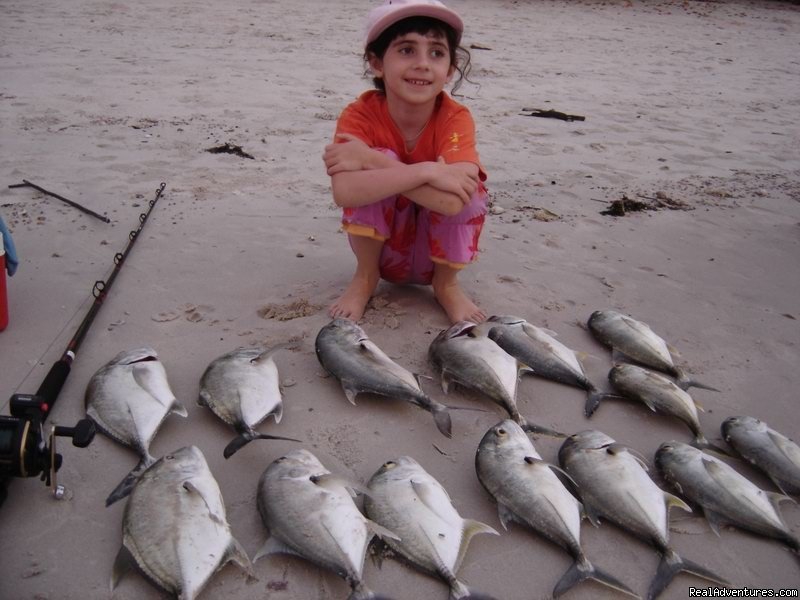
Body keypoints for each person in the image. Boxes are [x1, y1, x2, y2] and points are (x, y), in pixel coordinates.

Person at [323, 0, 489, 324]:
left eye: (437, 53)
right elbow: (344, 191)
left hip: (434, 255)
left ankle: (447, 285)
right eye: (407, 50)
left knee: (474, 190)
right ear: (376, 63)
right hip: (384, 254)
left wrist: (370, 159)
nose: (423, 64)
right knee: (377, 165)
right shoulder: (360, 115)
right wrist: (428, 171)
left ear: (450, 69)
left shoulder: (455, 118)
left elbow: (454, 202)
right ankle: (364, 279)